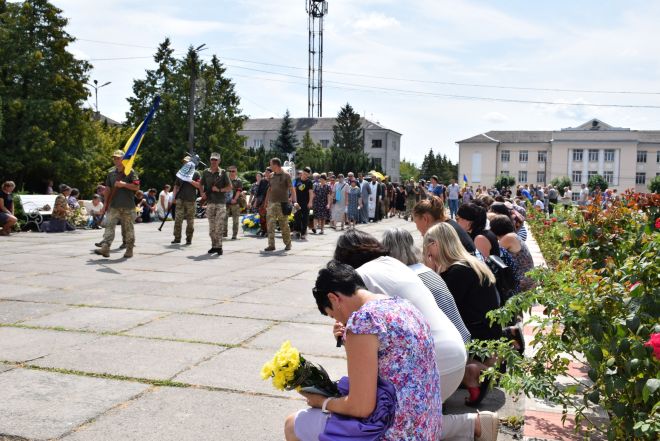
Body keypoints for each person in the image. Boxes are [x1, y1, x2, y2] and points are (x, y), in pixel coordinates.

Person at [286, 260, 443, 440]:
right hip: (427, 428)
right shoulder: (402, 305)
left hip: (395, 432)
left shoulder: (362, 321)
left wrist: (322, 402)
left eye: (332, 314)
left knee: (293, 424)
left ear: (333, 298)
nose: (337, 320)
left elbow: (361, 406)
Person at [333, 229, 467, 403]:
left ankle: (467, 423)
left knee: (373, 417)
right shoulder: (393, 263)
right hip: (456, 360)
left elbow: (361, 354)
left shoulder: (359, 279)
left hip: (433, 369)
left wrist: (345, 337)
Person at [423, 222, 502, 406]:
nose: (426, 251)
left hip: (476, 337)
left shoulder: (457, 272)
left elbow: (440, 308)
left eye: (428, 246)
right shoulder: (470, 263)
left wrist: (430, 269)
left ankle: (473, 372)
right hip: (487, 331)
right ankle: (474, 371)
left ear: (436, 244)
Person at [95, 150, 140, 258]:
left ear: (123, 159)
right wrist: (105, 204)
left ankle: (129, 249)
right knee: (109, 226)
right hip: (114, 205)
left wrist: (124, 184)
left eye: (118, 158)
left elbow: (137, 187)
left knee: (129, 228)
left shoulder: (131, 171)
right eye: (114, 158)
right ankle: (105, 248)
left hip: (128, 206)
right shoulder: (111, 173)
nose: (116, 160)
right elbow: (108, 189)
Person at [489, 215, 535, 292]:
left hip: (522, 281)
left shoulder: (508, 238)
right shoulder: (513, 235)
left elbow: (494, 255)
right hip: (528, 278)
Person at [200, 152, 232, 255]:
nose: (213, 162)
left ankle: (219, 247)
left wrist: (219, 190)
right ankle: (214, 246)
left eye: (215, 160)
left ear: (219, 161)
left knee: (219, 226)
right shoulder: (205, 172)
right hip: (210, 203)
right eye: (212, 160)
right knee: (211, 229)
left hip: (220, 203)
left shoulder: (223, 173)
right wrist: (202, 193)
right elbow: (200, 184)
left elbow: (229, 187)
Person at [264, 157, 295, 252]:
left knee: (284, 225)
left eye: (271, 164)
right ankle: (271, 245)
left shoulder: (286, 175)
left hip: (282, 203)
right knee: (270, 224)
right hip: (272, 203)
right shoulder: (271, 175)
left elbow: (291, 188)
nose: (270, 166)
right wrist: (266, 201)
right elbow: (269, 189)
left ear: (276, 165)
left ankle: (288, 243)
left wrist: (293, 200)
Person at [172, 155, 202, 245]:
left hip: (191, 200)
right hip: (180, 199)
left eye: (187, 162)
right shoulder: (180, 173)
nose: (185, 163)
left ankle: (189, 239)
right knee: (178, 219)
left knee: (190, 221)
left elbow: (199, 185)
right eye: (184, 162)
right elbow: (176, 186)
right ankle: (177, 238)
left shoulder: (196, 173)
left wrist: (189, 180)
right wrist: (173, 197)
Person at [294, 166, 314, 240]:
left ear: (309, 175)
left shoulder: (309, 182)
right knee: (297, 217)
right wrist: (294, 200)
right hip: (297, 202)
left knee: (305, 218)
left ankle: (303, 233)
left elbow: (311, 193)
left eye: (307, 174)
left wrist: (310, 202)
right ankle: (297, 231)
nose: (305, 175)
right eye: (304, 173)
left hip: (306, 202)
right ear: (302, 172)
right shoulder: (297, 180)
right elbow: (294, 190)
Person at [224, 165, 242, 240]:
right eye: (230, 171)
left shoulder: (238, 180)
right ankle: (224, 233)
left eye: (233, 171)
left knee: (235, 219)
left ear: (236, 171)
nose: (231, 173)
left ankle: (234, 234)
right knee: (224, 218)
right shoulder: (225, 180)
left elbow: (239, 191)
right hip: (226, 202)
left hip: (235, 202)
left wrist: (234, 199)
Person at [255, 167, 271, 237]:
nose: (266, 174)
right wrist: (256, 201)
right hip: (262, 201)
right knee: (262, 216)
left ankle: (268, 231)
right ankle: (263, 230)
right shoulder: (262, 181)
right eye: (266, 172)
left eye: (268, 172)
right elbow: (258, 192)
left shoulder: (273, 181)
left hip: (270, 201)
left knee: (268, 216)